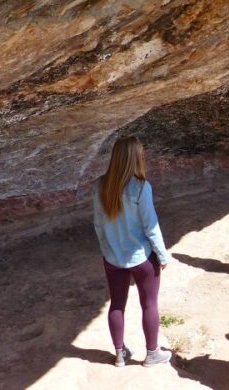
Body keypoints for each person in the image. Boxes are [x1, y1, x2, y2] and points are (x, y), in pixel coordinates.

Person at [92, 137, 172, 368]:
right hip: (141, 257)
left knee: (117, 304)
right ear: (136, 158)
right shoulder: (140, 187)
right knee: (149, 304)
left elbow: (98, 225)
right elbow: (151, 225)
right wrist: (163, 255)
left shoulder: (99, 186)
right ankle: (152, 353)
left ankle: (119, 354)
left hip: (113, 258)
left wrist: (107, 251)